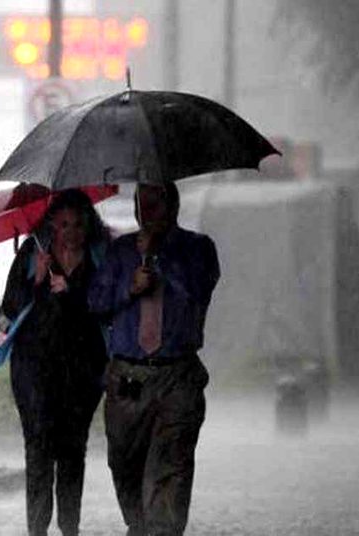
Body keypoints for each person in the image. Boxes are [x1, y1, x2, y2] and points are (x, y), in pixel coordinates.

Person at [88, 182, 220, 536]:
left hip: (177, 375)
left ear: (173, 207)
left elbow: (199, 289)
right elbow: (96, 303)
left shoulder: (197, 248)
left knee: (171, 463)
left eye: (155, 204)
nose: (147, 212)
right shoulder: (120, 252)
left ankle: (163, 530)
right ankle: (140, 524)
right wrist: (129, 288)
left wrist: (161, 260)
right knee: (123, 459)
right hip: (128, 376)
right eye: (141, 204)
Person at [0, 189, 109, 536]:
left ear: (89, 225)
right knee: (39, 446)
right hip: (34, 369)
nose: (71, 232)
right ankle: (37, 529)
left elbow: (109, 308)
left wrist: (72, 293)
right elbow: (4, 319)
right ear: (51, 226)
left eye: (78, 224)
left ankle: (69, 528)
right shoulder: (32, 254)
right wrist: (37, 281)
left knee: (73, 448)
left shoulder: (101, 258)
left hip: (83, 370)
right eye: (63, 224)